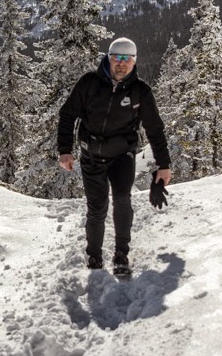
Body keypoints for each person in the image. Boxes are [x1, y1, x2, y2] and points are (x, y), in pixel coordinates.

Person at [57, 37, 171, 275]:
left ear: (134, 62)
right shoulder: (89, 83)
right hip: (92, 156)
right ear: (108, 58)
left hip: (122, 157)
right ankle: (94, 256)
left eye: (127, 59)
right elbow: (68, 115)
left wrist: (164, 165)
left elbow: (155, 130)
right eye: (117, 57)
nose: (121, 63)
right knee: (97, 207)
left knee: (121, 199)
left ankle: (121, 254)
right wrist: (65, 150)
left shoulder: (141, 92)